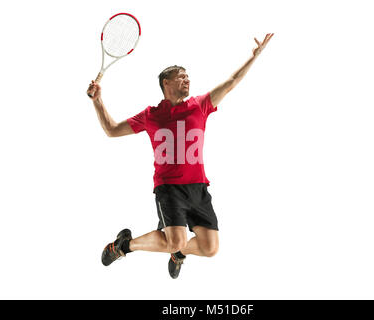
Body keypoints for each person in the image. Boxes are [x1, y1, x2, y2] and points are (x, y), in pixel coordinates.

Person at [86, 33, 274, 279]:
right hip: (169, 188)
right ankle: (123, 246)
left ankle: (177, 253)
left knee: (210, 248)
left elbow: (231, 81)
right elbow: (111, 130)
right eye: (181, 76)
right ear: (166, 83)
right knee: (175, 240)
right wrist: (97, 101)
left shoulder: (200, 105)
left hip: (198, 188)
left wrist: (254, 57)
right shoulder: (151, 115)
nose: (187, 80)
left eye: (188, 76)